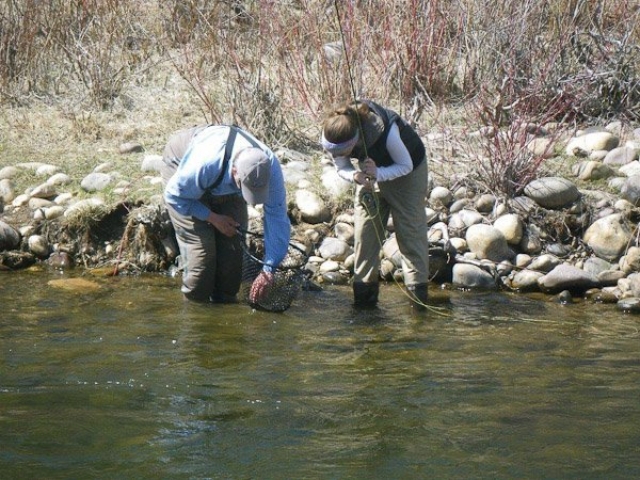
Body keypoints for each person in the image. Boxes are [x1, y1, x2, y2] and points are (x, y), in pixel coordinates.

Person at [160, 124, 291, 304]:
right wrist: (212, 218)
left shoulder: (270, 168)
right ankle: (195, 313)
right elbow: (174, 196)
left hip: (225, 181)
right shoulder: (204, 164)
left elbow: (277, 218)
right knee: (202, 262)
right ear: (236, 172)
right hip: (182, 172)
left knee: (231, 265)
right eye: (247, 189)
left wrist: (269, 269)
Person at [320, 99, 429, 310]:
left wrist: (379, 173)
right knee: (364, 236)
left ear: (354, 140)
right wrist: (355, 176)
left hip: (408, 173)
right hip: (369, 174)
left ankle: (418, 309)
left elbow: (405, 165)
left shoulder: (387, 134)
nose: (335, 156)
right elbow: (341, 166)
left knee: (410, 237)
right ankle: (363, 307)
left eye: (341, 152)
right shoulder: (333, 134)